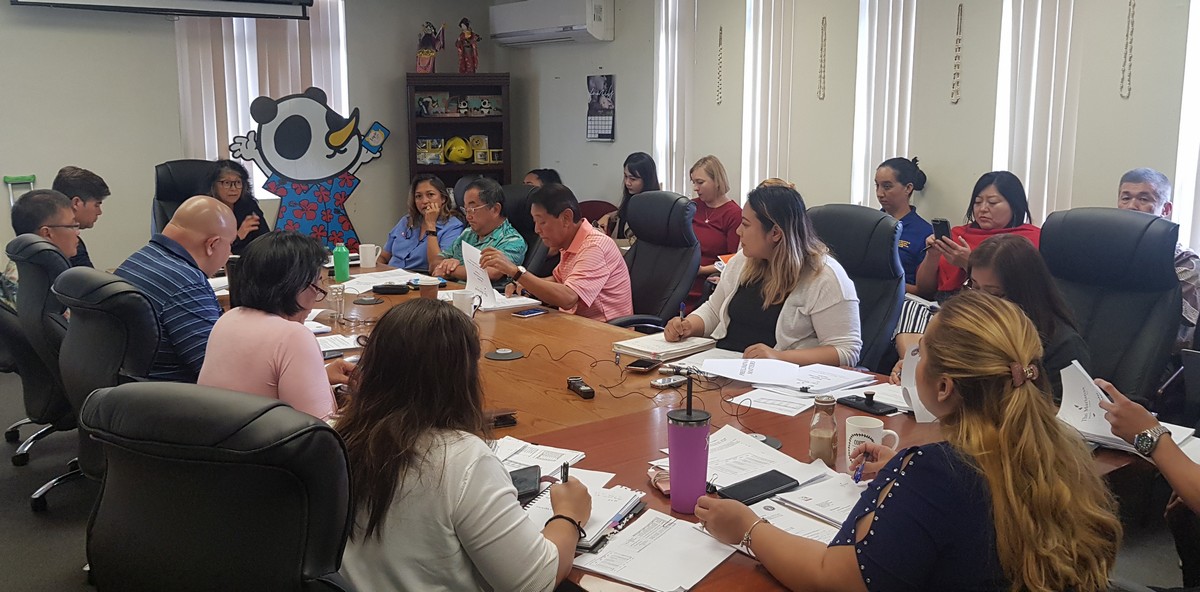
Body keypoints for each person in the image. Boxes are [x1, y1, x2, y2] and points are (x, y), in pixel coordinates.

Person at [695, 291, 1121, 592]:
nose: (912, 355)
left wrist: (747, 528)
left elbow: (831, 577)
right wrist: (906, 474)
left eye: (923, 350)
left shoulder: (937, 473)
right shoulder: (1061, 450)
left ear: (943, 388)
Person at [337, 299, 592, 591]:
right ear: (462, 375)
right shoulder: (462, 459)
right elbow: (535, 581)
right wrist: (569, 515)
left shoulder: (340, 436)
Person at [664, 184, 861, 366]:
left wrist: (779, 357)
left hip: (776, 384)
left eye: (746, 224)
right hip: (722, 366)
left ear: (775, 233)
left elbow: (847, 352)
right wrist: (689, 325)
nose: (739, 231)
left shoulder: (824, 277)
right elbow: (715, 310)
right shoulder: (743, 261)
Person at [892, 234, 1090, 401]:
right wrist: (919, 371)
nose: (980, 301)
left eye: (993, 294)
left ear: (1024, 293)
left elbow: (1057, 422)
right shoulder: (969, 327)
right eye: (974, 287)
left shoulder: (1062, 345)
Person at [198, 232, 355, 420]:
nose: (316, 298)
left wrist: (319, 377)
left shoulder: (227, 320)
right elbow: (317, 430)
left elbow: (258, 385)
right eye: (317, 286)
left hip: (221, 442)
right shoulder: (293, 336)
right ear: (294, 287)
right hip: (266, 446)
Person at [115, 196, 237, 382]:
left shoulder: (138, 258)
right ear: (212, 244)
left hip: (127, 393)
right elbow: (217, 372)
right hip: (172, 399)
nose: (228, 254)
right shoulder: (188, 284)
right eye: (230, 245)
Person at [480, 183, 633, 322]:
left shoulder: (596, 246)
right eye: (535, 222)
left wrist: (517, 272)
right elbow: (559, 279)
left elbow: (568, 297)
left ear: (566, 218)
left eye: (542, 222)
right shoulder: (570, 243)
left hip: (608, 334)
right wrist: (524, 284)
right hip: (577, 326)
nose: (537, 230)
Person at [914, 171, 1040, 301]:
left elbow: (1023, 293)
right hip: (941, 305)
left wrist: (968, 264)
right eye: (977, 202)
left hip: (991, 310)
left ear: (1014, 205)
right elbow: (924, 290)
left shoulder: (1031, 239)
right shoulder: (958, 235)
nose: (983, 209)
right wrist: (932, 256)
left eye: (992, 202)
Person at [1116, 167, 1200, 352]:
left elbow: (1179, 336)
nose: (1132, 206)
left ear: (1166, 209)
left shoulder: (1185, 263)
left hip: (1153, 357)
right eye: (1126, 198)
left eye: (1144, 199)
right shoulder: (1106, 252)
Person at [431, 178, 525, 287]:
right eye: (466, 210)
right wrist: (446, 264)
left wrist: (450, 269)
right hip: (453, 292)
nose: (468, 216)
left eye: (472, 209)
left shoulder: (512, 240)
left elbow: (491, 273)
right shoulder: (467, 234)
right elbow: (435, 262)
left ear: (495, 209)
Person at [1, 190, 80, 310]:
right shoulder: (40, 286)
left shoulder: (23, 267)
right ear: (47, 233)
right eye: (72, 225)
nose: (77, 232)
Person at [687, 154, 741, 310]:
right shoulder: (691, 207)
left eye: (700, 182)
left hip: (707, 282)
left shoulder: (734, 214)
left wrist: (703, 270)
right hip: (682, 277)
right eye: (693, 182)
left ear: (717, 182)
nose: (695, 188)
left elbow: (733, 258)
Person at [379, 174, 465, 271]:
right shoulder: (406, 221)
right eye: (418, 196)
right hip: (390, 276)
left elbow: (438, 266)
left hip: (421, 280)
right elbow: (384, 256)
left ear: (443, 198)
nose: (424, 201)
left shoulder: (453, 226)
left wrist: (431, 225)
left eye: (430, 195)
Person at [874, 157, 931, 292]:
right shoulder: (869, 223)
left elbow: (925, 291)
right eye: (877, 186)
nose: (879, 193)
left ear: (908, 188)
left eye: (887, 187)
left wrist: (885, 285)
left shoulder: (924, 232)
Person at [205, 159, 268, 255]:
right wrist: (238, 236)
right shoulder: (206, 210)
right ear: (214, 185)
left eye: (238, 182)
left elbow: (266, 240)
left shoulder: (248, 205)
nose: (233, 189)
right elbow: (211, 252)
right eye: (226, 183)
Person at [51, 165, 109, 268]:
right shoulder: (71, 244)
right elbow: (90, 283)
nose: (99, 212)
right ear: (76, 203)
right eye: (96, 205)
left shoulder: (42, 235)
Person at [597, 152, 661, 242]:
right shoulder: (632, 200)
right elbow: (622, 212)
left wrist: (607, 242)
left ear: (647, 180)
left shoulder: (654, 209)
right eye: (625, 176)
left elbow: (635, 245)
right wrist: (607, 216)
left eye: (633, 179)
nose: (627, 182)